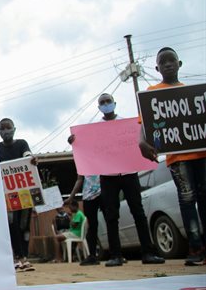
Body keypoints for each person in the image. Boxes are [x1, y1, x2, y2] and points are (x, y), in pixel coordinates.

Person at [74, 93, 164, 267]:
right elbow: (86, 148)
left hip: (129, 173)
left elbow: (142, 141)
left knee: (138, 211)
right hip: (108, 177)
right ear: (98, 107)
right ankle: (115, 255)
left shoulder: (129, 125)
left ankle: (148, 252)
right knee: (111, 215)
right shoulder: (95, 130)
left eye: (108, 101)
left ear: (114, 103)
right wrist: (75, 141)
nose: (106, 104)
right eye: (102, 102)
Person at [139, 47, 206, 266]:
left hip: (201, 155)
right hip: (178, 160)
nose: (168, 64)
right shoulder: (152, 93)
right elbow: (145, 124)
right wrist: (142, 141)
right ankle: (196, 248)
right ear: (157, 68)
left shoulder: (195, 93)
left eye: (172, 60)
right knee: (187, 202)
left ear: (180, 64)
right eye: (163, 61)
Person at [0, 118, 36, 272]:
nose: (6, 131)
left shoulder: (22, 144)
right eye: (3, 128)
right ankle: (17, 257)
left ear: (14, 129)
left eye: (8, 127)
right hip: (7, 194)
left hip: (24, 191)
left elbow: (27, 155)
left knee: (24, 225)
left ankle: (25, 257)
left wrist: (31, 159)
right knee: (12, 225)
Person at [64, 174, 101, 266]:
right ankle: (92, 256)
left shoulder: (78, 214)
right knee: (92, 226)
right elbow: (79, 179)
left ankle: (116, 254)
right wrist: (71, 197)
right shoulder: (81, 160)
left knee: (109, 221)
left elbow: (74, 224)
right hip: (88, 195)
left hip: (103, 192)